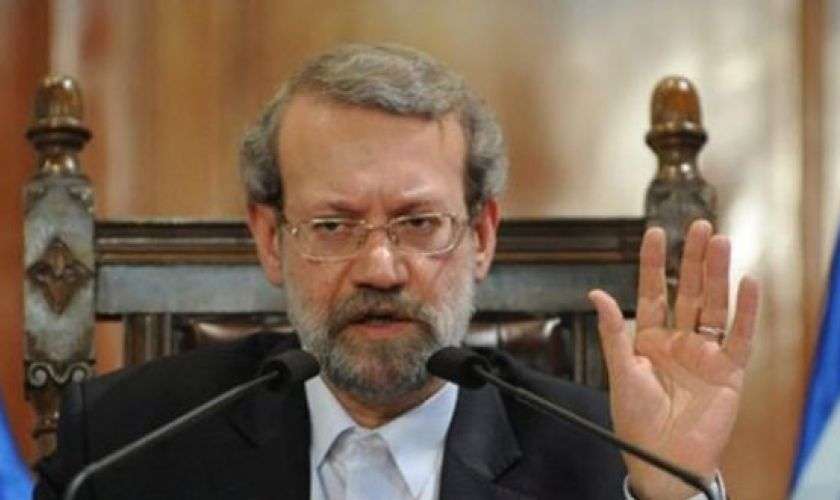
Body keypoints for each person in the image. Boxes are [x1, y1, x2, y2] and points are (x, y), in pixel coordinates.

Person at [34, 43, 759, 500]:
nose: (380, 269)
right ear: (270, 239)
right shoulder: (124, 445)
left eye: (418, 223)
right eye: (333, 226)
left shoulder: (608, 461)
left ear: (481, 236)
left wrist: (672, 497)